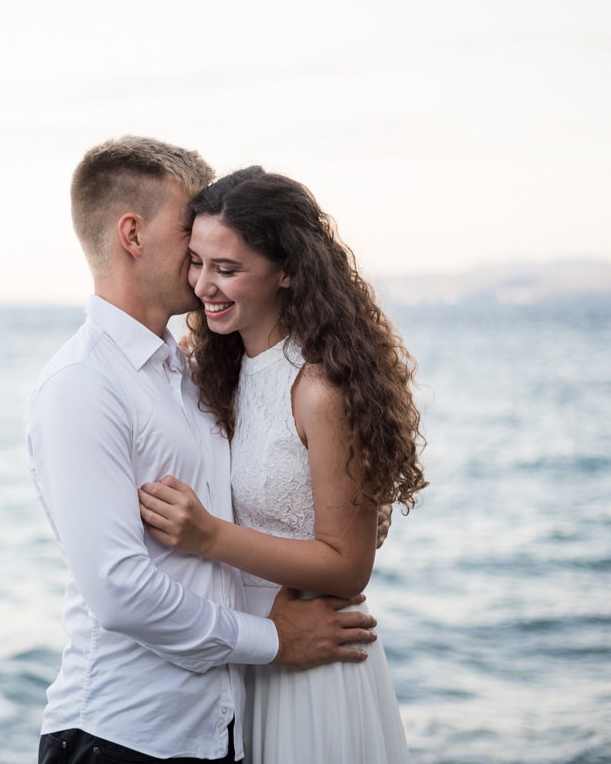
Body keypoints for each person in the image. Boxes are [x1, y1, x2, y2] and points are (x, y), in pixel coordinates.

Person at [27, 139, 381, 764]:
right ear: (132, 234)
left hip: (221, 727)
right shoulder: (83, 385)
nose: (200, 264)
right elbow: (118, 590)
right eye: (188, 235)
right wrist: (272, 639)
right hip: (124, 735)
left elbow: (230, 542)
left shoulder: (192, 375)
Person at [138, 166, 427, 763]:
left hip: (314, 667)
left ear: (288, 269)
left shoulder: (319, 387)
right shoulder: (216, 367)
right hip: (248, 657)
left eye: (228, 268)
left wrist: (209, 536)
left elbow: (349, 567)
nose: (204, 286)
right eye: (197, 262)